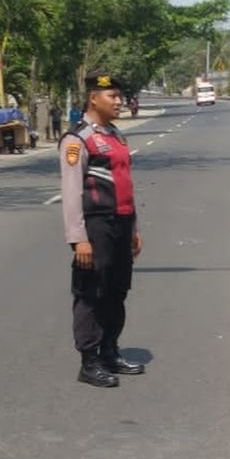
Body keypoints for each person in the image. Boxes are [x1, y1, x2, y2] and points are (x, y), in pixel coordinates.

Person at [59, 71, 145, 388]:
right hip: (95, 225)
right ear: (94, 98)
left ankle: (110, 350)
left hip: (121, 223)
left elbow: (127, 186)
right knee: (91, 292)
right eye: (113, 97)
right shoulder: (77, 139)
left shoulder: (116, 136)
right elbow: (70, 192)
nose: (119, 101)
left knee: (117, 291)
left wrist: (134, 227)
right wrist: (78, 238)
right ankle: (89, 360)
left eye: (120, 96)